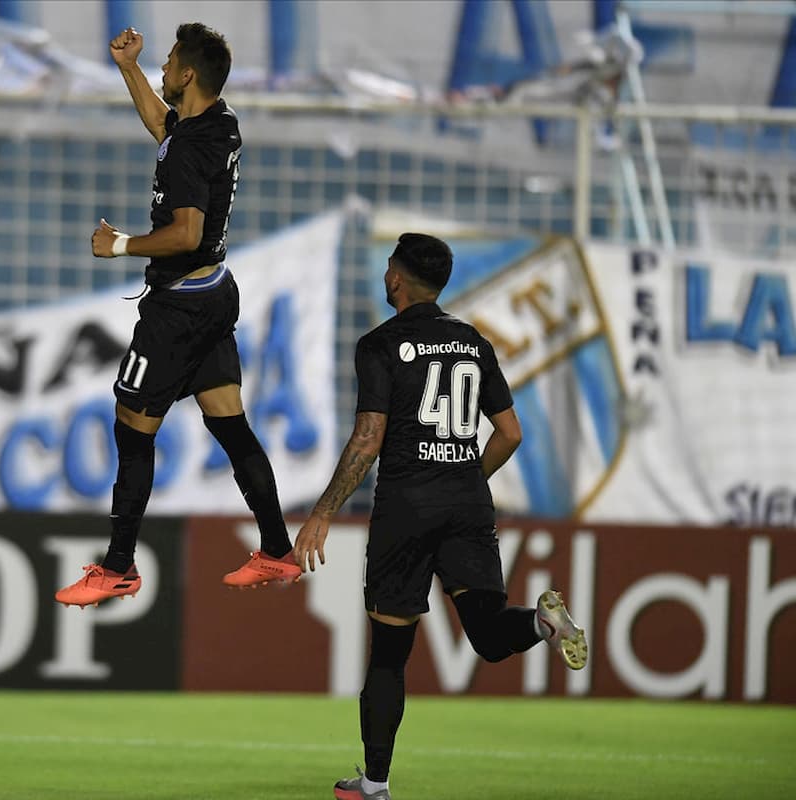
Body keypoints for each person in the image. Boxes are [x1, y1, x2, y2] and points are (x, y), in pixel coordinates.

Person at [291, 233, 588, 800]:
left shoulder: (380, 344)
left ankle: (373, 786)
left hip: (406, 508)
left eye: (387, 269)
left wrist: (323, 513)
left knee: (390, 654)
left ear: (397, 280)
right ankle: (541, 624)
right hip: (467, 502)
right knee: (488, 633)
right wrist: (467, 482)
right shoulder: (474, 342)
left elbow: (368, 437)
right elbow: (510, 433)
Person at [55, 23, 301, 608]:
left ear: (188, 75)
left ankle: (118, 568)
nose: (162, 72)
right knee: (229, 423)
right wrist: (129, 68)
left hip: (179, 309)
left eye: (167, 64)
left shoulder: (191, 144)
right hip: (215, 293)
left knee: (132, 425)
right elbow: (163, 127)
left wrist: (119, 245)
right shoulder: (218, 124)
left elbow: (186, 232)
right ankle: (277, 550)